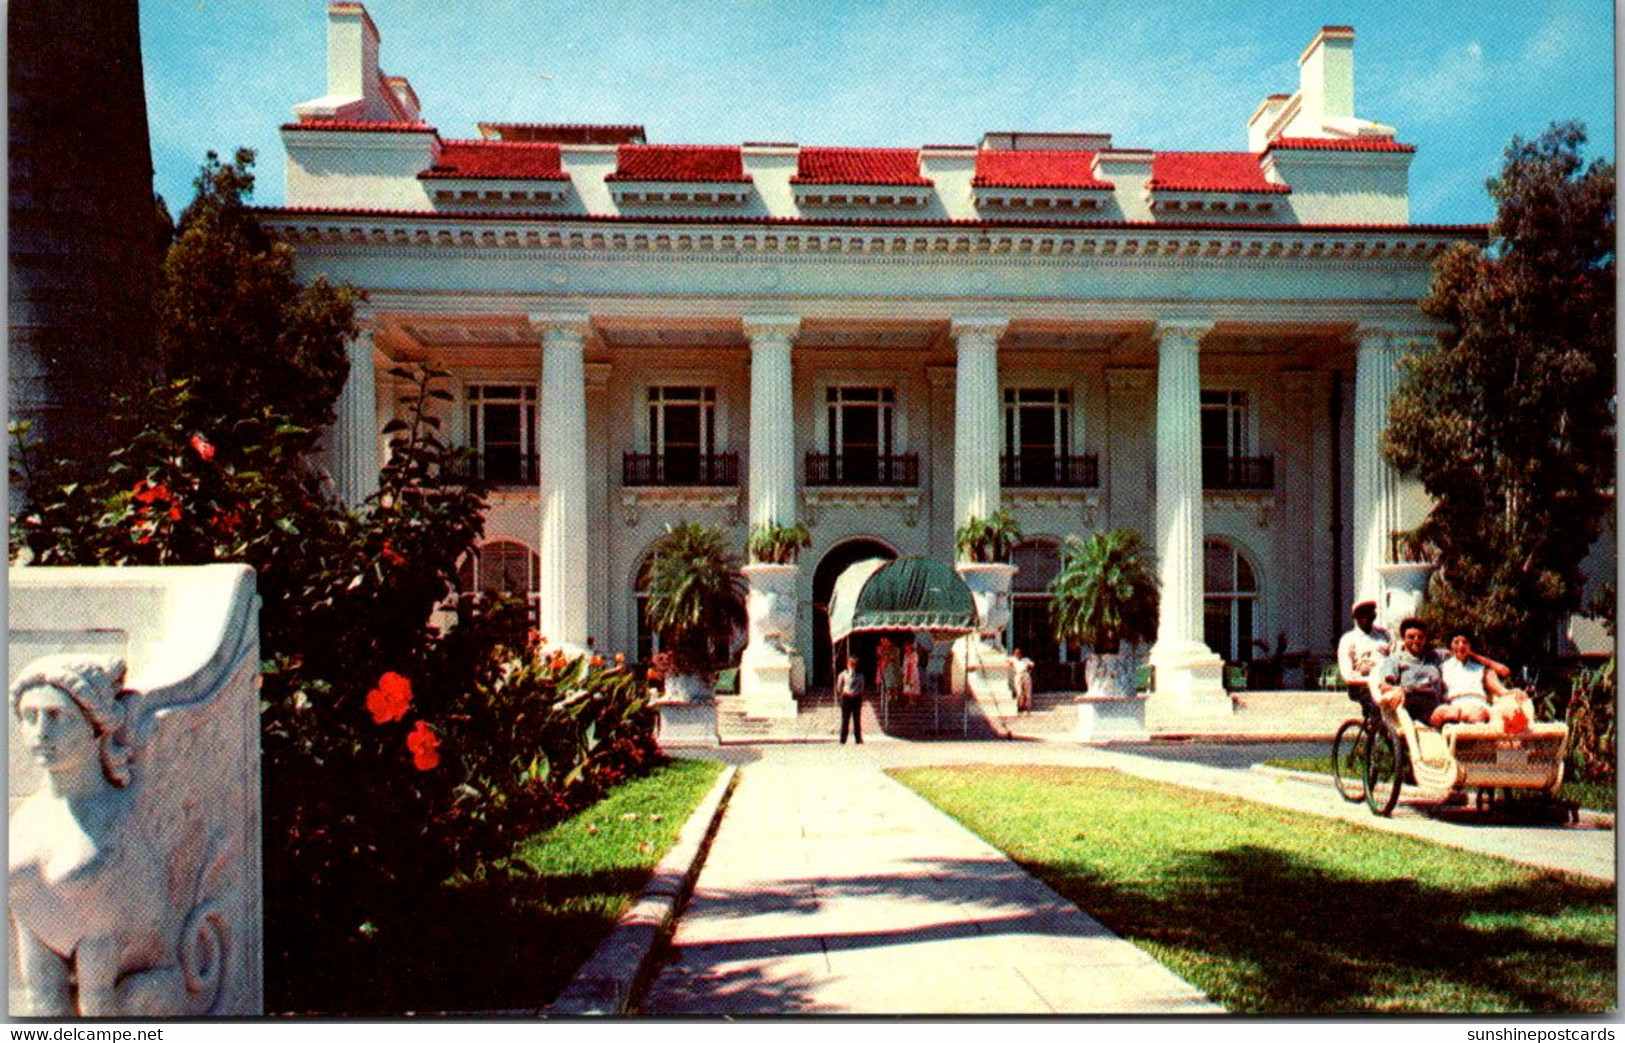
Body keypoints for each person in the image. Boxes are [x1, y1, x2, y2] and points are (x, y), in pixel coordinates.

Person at [1375, 617, 1451, 727]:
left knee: (1455, 713)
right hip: (1411, 701)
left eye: (1420, 637)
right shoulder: (1396, 659)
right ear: (1403, 638)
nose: (1416, 640)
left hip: (1434, 700)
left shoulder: (1434, 656)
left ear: (1425, 639)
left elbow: (1460, 652)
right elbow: (1384, 685)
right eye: (1411, 637)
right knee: (1446, 714)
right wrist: (1397, 689)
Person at [1434, 631, 1511, 725]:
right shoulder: (1444, 667)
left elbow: (1505, 672)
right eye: (1456, 642)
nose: (1461, 645)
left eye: (1465, 642)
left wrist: (1472, 654)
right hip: (1456, 709)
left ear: (1470, 646)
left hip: (1480, 706)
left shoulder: (1480, 668)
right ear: (1450, 645)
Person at [1337, 599, 1390, 719]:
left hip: (1385, 682)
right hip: (1362, 685)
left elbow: (1393, 656)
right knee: (1377, 707)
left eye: (1369, 614)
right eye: (1362, 614)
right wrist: (1369, 680)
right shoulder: (1348, 639)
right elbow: (1347, 673)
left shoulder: (1384, 635)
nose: (1366, 617)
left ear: (1374, 615)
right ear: (1355, 617)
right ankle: (1377, 735)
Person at [835, 654, 865, 745]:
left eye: (854, 664)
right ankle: (843, 739)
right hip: (846, 698)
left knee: (857, 720)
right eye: (851, 663)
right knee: (845, 719)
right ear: (847, 664)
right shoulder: (843, 674)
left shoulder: (860, 676)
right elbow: (839, 687)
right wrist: (845, 693)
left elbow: (862, 688)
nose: (852, 665)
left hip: (856, 698)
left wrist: (856, 693)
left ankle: (858, 739)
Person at [1009, 647, 1034, 712]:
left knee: (1027, 691)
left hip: (1025, 674)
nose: (1017, 654)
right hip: (1018, 674)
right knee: (1019, 692)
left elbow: (1032, 665)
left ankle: (1028, 706)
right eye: (1016, 653)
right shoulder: (1013, 659)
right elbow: (1008, 662)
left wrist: (1029, 667)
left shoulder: (1025, 659)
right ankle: (1020, 706)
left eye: (1018, 653)